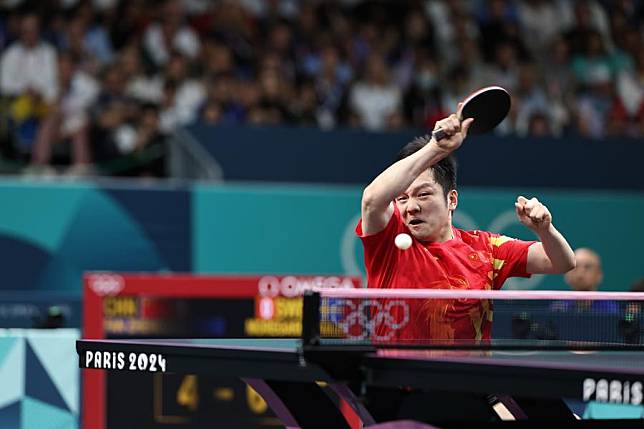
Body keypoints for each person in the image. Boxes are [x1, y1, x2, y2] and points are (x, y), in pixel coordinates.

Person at [356, 105, 576, 341]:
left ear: (451, 199)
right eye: (402, 198)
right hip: (395, 376)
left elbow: (563, 262)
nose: (411, 206)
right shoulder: (387, 239)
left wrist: (545, 230)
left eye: (423, 195)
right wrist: (434, 148)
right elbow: (371, 200)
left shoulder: (486, 249)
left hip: (465, 375)